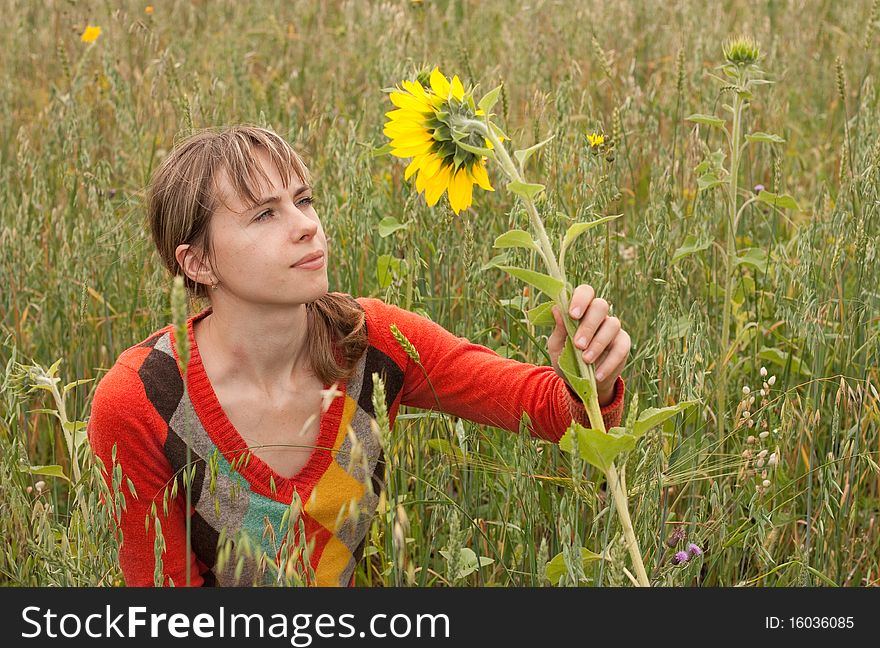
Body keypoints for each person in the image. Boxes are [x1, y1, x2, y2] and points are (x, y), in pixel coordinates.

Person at [86, 125, 630, 587]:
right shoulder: (143, 401)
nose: (307, 226)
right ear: (199, 263)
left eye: (303, 200)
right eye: (263, 215)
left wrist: (590, 377)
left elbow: (552, 412)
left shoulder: (374, 343)